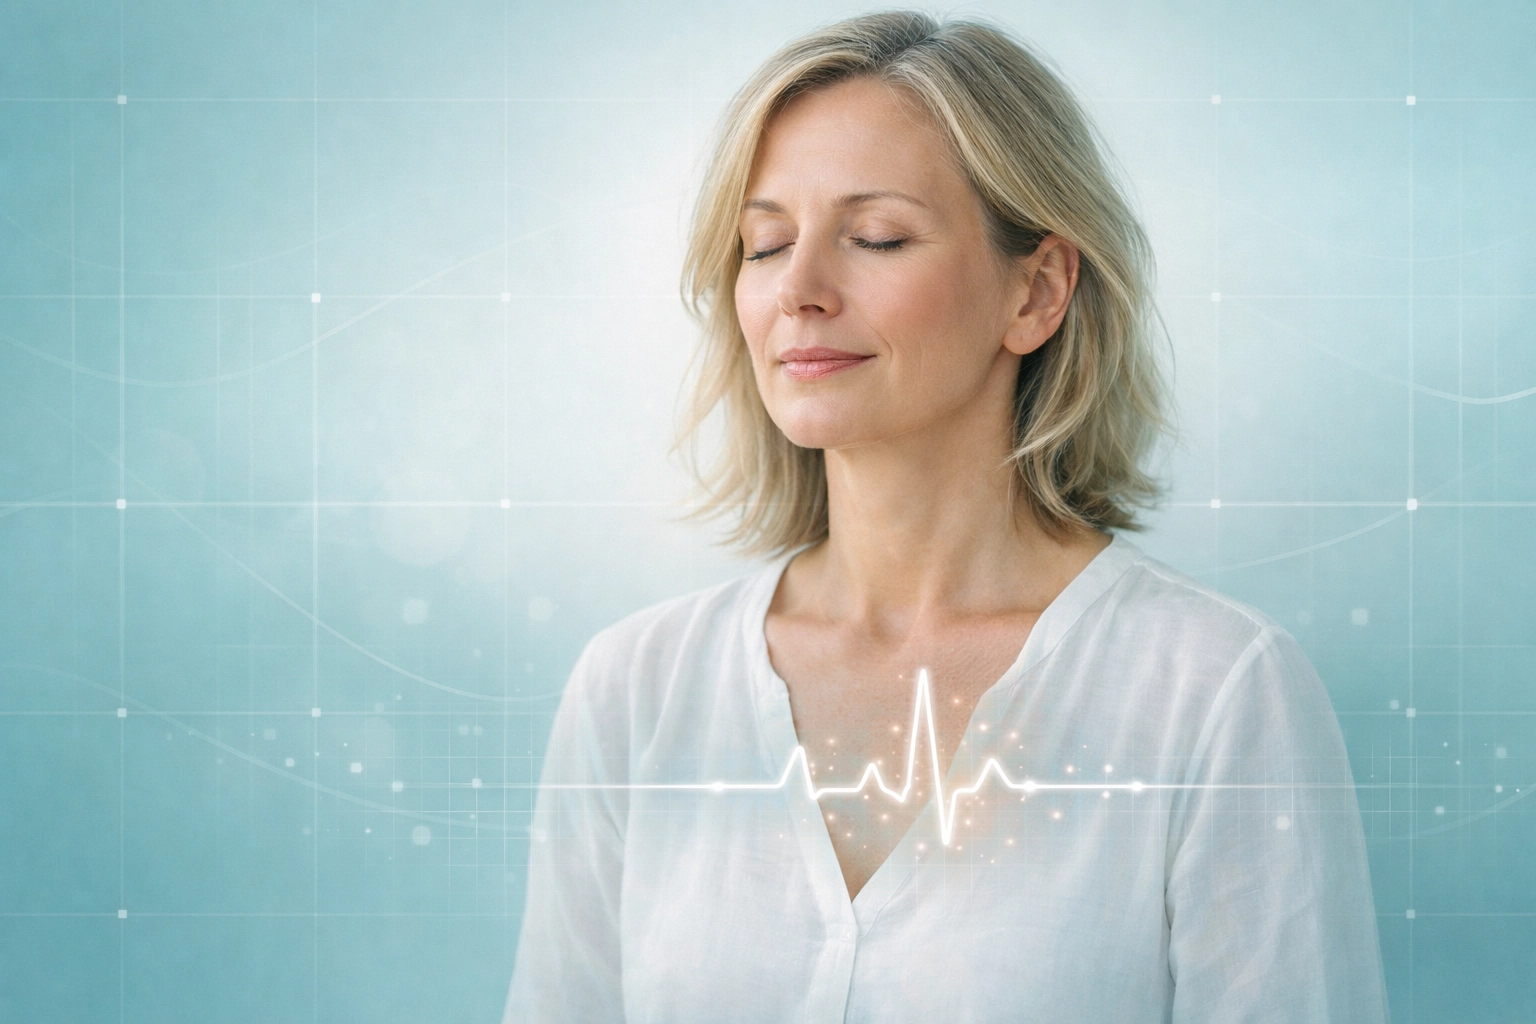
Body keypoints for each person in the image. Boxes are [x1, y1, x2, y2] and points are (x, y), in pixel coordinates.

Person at [503, 10, 1388, 1022]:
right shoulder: (634, 690)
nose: (799, 290)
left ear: (1038, 291)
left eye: (875, 236)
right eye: (765, 243)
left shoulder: (1218, 694)